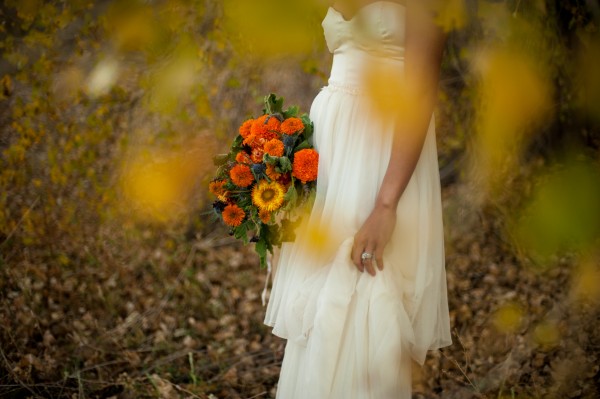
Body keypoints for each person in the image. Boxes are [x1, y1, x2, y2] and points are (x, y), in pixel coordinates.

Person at [264, 1, 452, 397]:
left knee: (365, 288)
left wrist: (386, 203)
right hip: (333, 147)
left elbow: (420, 91)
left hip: (384, 149)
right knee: (321, 295)